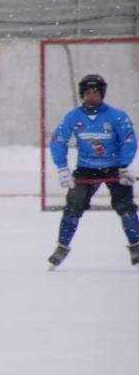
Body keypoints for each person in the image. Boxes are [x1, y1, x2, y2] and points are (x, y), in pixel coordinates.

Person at [47, 74, 137, 268]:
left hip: (114, 169)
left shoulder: (117, 116)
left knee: (126, 207)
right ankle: (62, 246)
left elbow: (128, 141)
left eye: (96, 92)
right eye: (88, 93)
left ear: (102, 94)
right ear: (82, 95)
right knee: (72, 207)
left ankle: (136, 245)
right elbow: (58, 141)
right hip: (86, 169)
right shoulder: (73, 117)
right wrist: (63, 169)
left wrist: (123, 166)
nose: (92, 96)